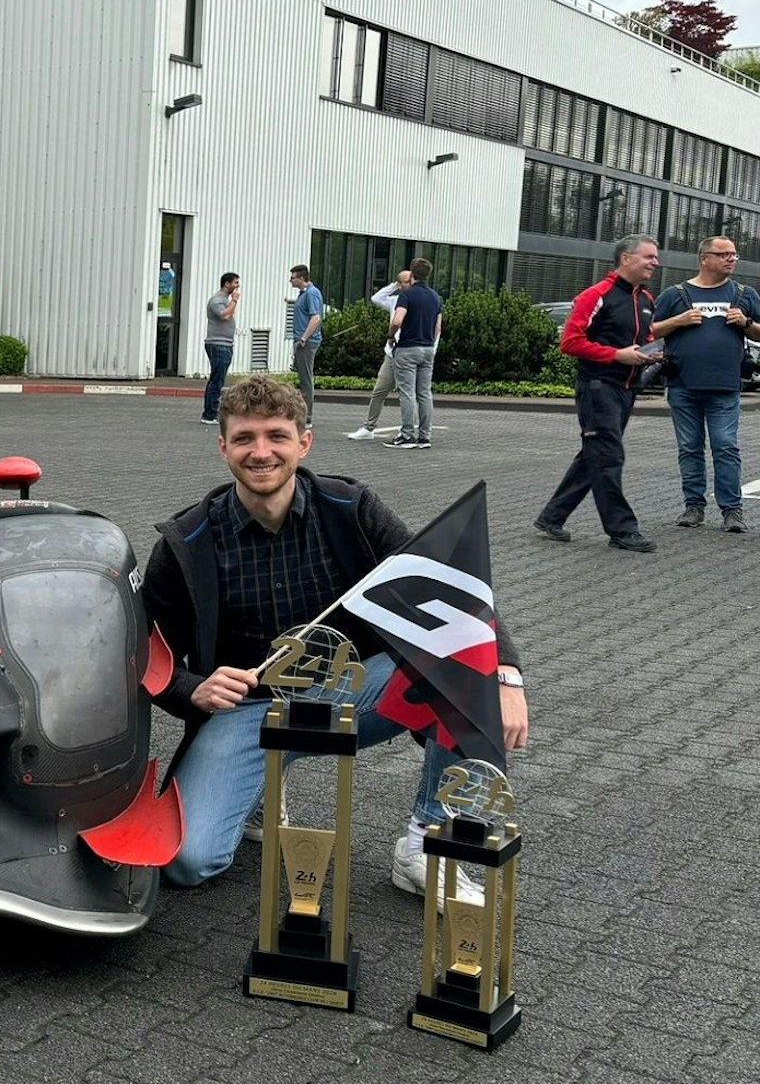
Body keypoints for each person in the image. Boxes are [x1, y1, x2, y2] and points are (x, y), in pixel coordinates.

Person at [143, 376, 529, 894]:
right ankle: (258, 790)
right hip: (248, 711)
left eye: (277, 436)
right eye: (244, 438)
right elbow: (146, 655)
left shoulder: (350, 509)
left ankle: (425, 846)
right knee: (188, 862)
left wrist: (503, 675)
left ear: (304, 442)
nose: (261, 452)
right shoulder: (187, 542)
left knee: (462, 671)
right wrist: (194, 689)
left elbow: (448, 590)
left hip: (351, 690)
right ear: (223, 447)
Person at [535, 235, 663, 552]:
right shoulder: (596, 295)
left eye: (655, 257)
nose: (655, 262)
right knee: (608, 457)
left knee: (594, 454)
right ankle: (622, 530)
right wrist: (617, 355)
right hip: (598, 387)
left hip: (627, 388)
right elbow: (570, 342)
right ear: (625, 259)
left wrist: (650, 353)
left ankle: (552, 517)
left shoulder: (646, 299)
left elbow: (646, 338)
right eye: (649, 256)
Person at [652, 235, 755, 534]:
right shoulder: (675, 294)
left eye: (733, 254)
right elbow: (648, 331)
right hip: (682, 386)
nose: (731, 259)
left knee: (726, 447)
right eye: (723, 254)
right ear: (704, 259)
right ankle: (693, 507)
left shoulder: (744, 294)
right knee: (689, 448)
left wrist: (747, 323)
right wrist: (678, 321)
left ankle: (732, 511)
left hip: (725, 387)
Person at [347, 268, 413, 440]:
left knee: (407, 394)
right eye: (404, 282)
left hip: (407, 353)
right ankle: (369, 427)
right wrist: (394, 285)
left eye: (409, 281)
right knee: (379, 391)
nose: (408, 284)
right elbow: (376, 298)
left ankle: (408, 430)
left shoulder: (415, 300)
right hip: (391, 354)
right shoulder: (395, 300)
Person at [385, 258, 444, 451]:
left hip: (408, 348)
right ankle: (425, 436)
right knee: (424, 393)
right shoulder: (436, 297)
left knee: (407, 392)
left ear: (411, 274)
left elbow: (397, 320)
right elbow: (438, 327)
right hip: (427, 349)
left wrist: (390, 336)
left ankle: (407, 435)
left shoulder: (407, 295)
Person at [201, 272, 240, 424]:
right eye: (235, 283)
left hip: (225, 344)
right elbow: (225, 315)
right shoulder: (217, 300)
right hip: (218, 344)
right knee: (216, 380)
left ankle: (212, 412)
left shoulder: (224, 300)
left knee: (218, 379)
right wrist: (234, 301)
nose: (237, 286)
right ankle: (209, 414)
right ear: (226, 284)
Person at [289, 265, 324, 426]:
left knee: (306, 379)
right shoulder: (304, 294)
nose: (290, 280)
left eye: (293, 278)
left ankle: (307, 416)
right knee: (303, 377)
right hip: (303, 340)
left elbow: (315, 318)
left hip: (307, 342)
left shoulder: (311, 293)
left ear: (301, 278)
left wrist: (304, 338)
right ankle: (303, 413)